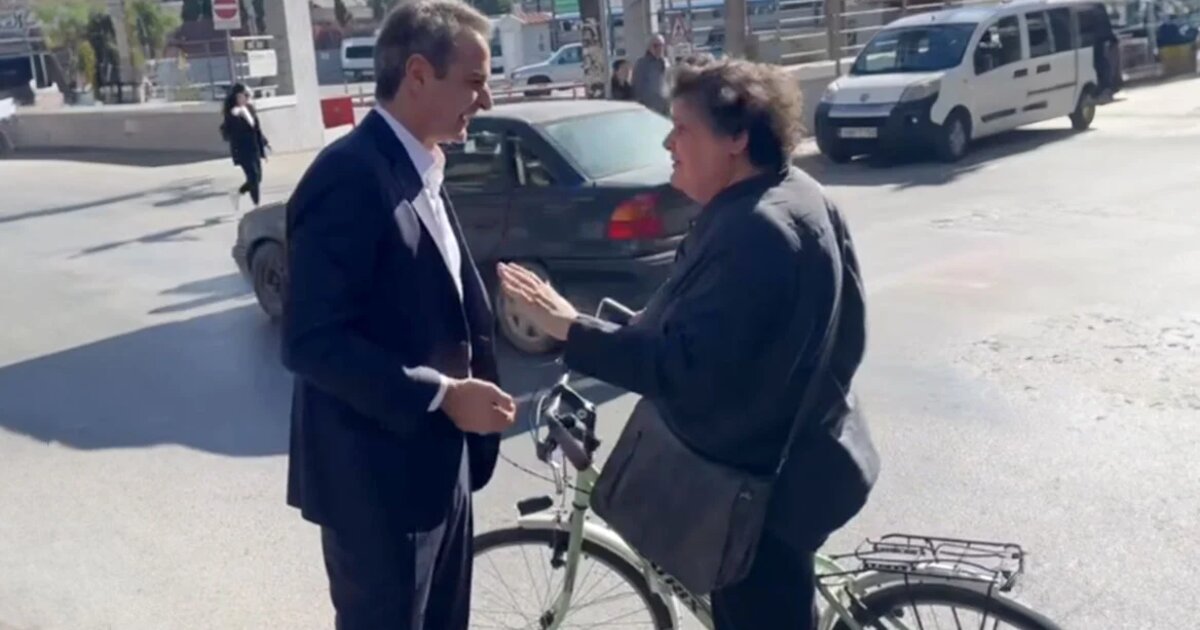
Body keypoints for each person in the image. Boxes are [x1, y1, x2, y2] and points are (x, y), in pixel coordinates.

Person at [498, 57, 880, 630]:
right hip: (804, 468)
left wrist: (570, 328)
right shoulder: (797, 193)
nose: (668, 142)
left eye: (682, 128)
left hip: (758, 501)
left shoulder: (755, 230)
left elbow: (686, 372)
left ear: (737, 138)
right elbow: (847, 336)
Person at [280, 1, 516, 628]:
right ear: (417, 74)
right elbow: (311, 341)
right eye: (473, 81)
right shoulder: (349, 176)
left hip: (439, 469)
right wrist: (443, 395)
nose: (486, 99)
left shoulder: (419, 164)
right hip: (378, 489)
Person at [219, 83, 269, 210]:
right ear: (236, 97)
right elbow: (232, 132)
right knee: (253, 176)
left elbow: (256, 129)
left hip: (254, 148)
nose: (245, 98)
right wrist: (238, 115)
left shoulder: (250, 109)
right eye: (242, 95)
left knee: (258, 178)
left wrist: (264, 142)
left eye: (246, 95)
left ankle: (237, 193)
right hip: (242, 150)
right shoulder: (232, 113)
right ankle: (257, 205)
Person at [631, 34, 670, 114]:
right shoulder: (642, 63)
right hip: (650, 107)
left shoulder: (666, 62)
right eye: (656, 46)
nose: (659, 48)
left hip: (665, 106)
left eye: (661, 45)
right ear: (649, 47)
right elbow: (637, 85)